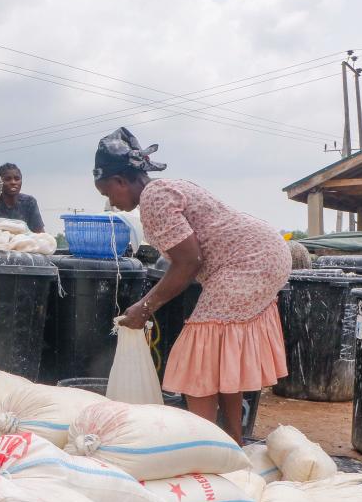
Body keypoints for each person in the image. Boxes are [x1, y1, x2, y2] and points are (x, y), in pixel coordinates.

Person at [92, 127, 291, 444]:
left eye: (107, 194)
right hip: (266, 254)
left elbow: (188, 262)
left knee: (197, 353)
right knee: (219, 352)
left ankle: (205, 445)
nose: (111, 203)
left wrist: (144, 308)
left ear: (120, 181)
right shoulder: (166, 188)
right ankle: (231, 442)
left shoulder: (153, 200)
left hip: (248, 262)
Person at [0, 163, 45, 233]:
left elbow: (40, 233)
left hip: (24, 243)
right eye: (8, 179)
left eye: (17, 179)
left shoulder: (29, 202)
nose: (13, 182)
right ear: (0, 181)